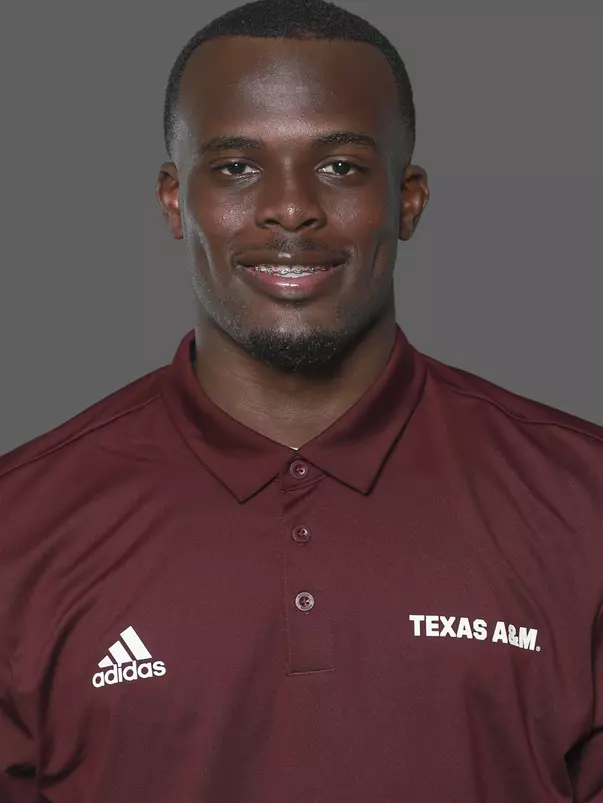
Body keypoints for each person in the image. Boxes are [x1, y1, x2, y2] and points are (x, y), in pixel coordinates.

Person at [1, 0, 602, 800]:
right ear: (175, 200)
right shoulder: (19, 525)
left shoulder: (582, 500)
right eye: (236, 167)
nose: (290, 208)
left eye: (341, 166)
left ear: (408, 199)